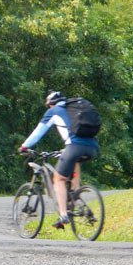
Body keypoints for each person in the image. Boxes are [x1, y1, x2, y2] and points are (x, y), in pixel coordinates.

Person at [19, 91, 98, 229]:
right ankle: (75, 196)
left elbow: (38, 133)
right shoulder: (73, 110)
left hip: (74, 147)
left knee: (58, 179)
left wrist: (24, 147)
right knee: (74, 166)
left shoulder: (54, 111)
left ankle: (63, 215)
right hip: (92, 147)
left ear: (50, 104)